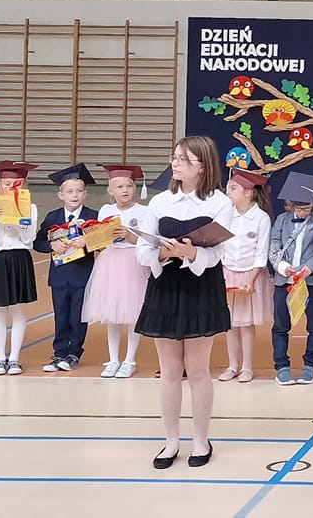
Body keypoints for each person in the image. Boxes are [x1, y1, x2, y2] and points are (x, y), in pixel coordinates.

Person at [136, 135, 236, 469]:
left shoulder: (220, 203)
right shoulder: (160, 202)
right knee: (169, 371)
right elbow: (143, 250)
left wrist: (192, 253)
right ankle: (170, 442)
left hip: (200, 285)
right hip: (165, 284)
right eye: (175, 158)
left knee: (197, 369)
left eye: (183, 159)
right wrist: (164, 253)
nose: (175, 164)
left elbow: (219, 251)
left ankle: (201, 440)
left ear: (202, 166)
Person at [86, 164, 152, 378]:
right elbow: (99, 239)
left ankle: (129, 359)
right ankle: (113, 359)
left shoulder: (143, 211)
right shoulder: (106, 210)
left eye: (129, 186)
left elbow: (147, 240)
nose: (125, 190)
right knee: (111, 314)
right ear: (110, 190)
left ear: (135, 188)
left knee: (132, 313)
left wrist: (129, 236)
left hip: (132, 261)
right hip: (110, 262)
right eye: (120, 187)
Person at [34, 164, 99, 373]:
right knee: (61, 315)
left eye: (79, 191)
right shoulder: (52, 217)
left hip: (83, 274)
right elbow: (38, 242)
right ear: (61, 194)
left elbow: (103, 243)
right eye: (70, 191)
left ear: (85, 194)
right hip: (60, 276)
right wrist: (51, 245)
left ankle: (74, 353)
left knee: (78, 316)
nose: (75, 195)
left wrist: (87, 241)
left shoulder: (92, 216)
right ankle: (59, 352)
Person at [266, 171, 313, 385]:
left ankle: (310, 364)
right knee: (280, 325)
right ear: (290, 205)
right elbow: (274, 245)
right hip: (285, 281)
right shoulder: (281, 221)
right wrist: (283, 267)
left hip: (311, 281)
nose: (302, 212)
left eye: (307, 208)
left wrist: (309, 268)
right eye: (299, 208)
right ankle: (282, 366)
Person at [0, 161, 40, 376]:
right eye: (6, 183)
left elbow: (28, 238)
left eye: (16, 183)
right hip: (0, 258)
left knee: (17, 309)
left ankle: (14, 358)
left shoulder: (30, 208)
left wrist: (20, 221)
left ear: (24, 185)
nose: (11, 187)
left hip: (20, 257)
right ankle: (0, 358)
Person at [217, 169, 272, 384]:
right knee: (230, 323)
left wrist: (252, 279)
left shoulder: (261, 218)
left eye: (233, 188)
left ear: (248, 192)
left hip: (250, 275)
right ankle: (232, 365)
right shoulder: (226, 215)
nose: (228, 192)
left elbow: (261, 252)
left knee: (246, 323)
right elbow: (220, 245)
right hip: (228, 272)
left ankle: (247, 367)